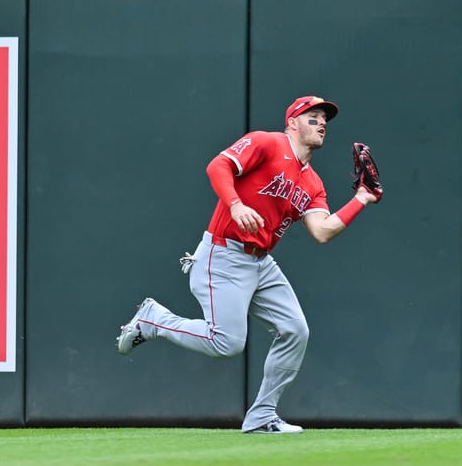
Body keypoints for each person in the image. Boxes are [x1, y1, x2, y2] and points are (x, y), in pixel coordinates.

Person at [115, 95, 379, 434]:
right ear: (292, 122)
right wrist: (236, 204)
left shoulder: (312, 182)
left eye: (324, 119)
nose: (321, 123)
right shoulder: (267, 142)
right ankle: (155, 320)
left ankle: (262, 416)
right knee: (227, 343)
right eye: (312, 117)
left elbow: (323, 231)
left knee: (295, 331)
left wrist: (360, 199)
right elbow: (217, 166)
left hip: (261, 263)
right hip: (223, 253)